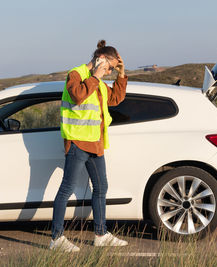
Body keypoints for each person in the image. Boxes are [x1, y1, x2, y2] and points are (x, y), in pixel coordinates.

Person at [50, 40, 128, 252]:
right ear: (100, 59)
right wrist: (96, 76)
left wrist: (122, 74)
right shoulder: (76, 74)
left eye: (113, 69)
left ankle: (101, 234)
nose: (110, 71)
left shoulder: (100, 83)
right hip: (77, 141)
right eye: (110, 67)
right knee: (66, 189)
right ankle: (56, 239)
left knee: (101, 188)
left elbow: (116, 98)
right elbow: (77, 96)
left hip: (95, 143)